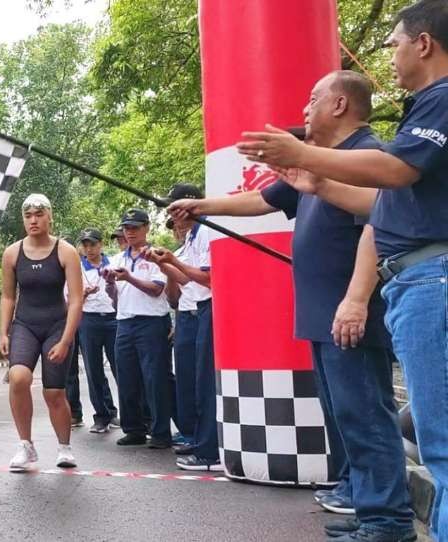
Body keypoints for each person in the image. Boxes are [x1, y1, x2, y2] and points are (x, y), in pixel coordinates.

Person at [234, 55, 440, 540]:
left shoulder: (368, 155)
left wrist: (355, 298)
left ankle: (387, 522)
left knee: (371, 419)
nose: (305, 109)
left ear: (340, 103)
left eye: (312, 99)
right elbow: (266, 200)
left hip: (359, 309)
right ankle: (375, 517)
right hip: (329, 312)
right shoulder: (330, 163)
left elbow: (378, 221)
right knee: (352, 418)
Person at [0, 194, 83, 471]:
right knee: (18, 377)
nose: (33, 220)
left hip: (56, 326)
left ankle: (64, 448)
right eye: (28, 216)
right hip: (25, 324)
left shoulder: (66, 251)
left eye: (38, 214)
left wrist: (66, 339)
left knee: (54, 393)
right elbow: (8, 297)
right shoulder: (12, 253)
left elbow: (75, 300)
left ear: (50, 216)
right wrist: (3, 333)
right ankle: (26, 445)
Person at [149, 183, 219, 471]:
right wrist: (164, 265)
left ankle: (210, 451)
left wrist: (172, 260)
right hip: (198, 309)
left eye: (174, 207)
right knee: (196, 383)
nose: (171, 214)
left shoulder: (207, 232)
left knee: (206, 382)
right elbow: (188, 281)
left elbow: (208, 278)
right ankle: (202, 441)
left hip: (210, 307)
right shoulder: (192, 237)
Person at [106, 208, 174, 449]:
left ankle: (161, 432)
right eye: (127, 228)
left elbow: (157, 289)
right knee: (126, 378)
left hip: (151, 322)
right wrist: (110, 283)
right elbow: (115, 298)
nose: (130, 232)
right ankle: (134, 428)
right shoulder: (117, 260)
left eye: (135, 227)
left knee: (155, 379)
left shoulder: (156, 255)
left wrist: (129, 278)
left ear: (146, 227)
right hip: (124, 322)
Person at [66, 228, 120, 434]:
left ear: (101, 244)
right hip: (88, 320)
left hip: (114, 318)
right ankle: (101, 415)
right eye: (85, 245)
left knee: (121, 369)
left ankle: (134, 415)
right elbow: (69, 298)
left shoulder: (115, 263)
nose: (89, 249)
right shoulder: (77, 269)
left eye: (93, 244)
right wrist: (84, 295)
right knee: (93, 370)